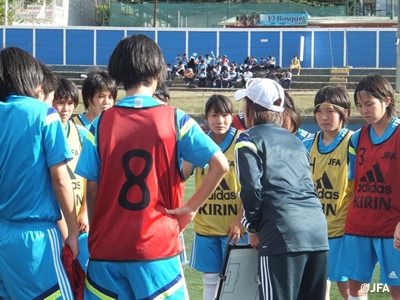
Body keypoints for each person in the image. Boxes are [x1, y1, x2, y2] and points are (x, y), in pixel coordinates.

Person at [75, 34, 229, 299]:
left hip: (106, 250)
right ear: (159, 71)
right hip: (156, 249)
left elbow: (93, 189)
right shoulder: (175, 119)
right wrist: (190, 208)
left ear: (118, 74)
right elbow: (220, 164)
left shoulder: (99, 125)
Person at [234, 78, 329, 300]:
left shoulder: (247, 138)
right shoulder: (295, 140)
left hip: (281, 232)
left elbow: (251, 190)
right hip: (317, 231)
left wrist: (253, 228)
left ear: (251, 107)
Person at [0, 46, 79, 299]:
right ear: (28, 76)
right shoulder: (44, 113)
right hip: (36, 237)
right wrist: (73, 232)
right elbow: (61, 179)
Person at [336, 74, 400, 300]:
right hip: (358, 225)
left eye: (369, 104)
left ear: (387, 101)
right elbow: (353, 183)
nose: (363, 110)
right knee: (355, 289)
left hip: (392, 229)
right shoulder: (356, 138)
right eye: (360, 105)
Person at [184, 94, 247, 300]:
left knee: (236, 285)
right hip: (206, 226)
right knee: (210, 281)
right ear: (206, 117)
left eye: (224, 115)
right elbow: (184, 173)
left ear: (232, 116)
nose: (219, 121)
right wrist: (190, 142)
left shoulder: (243, 141)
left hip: (235, 229)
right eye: (214, 115)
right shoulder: (201, 141)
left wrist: (239, 220)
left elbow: (253, 187)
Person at [302, 86, 353, 300]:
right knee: (318, 284)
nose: (323, 117)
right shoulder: (307, 143)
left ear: (344, 113)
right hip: (313, 230)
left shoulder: (354, 142)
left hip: (342, 229)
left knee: (347, 286)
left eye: (330, 111)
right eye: (319, 111)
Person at [52, 77, 90, 273]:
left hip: (80, 223)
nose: (65, 109)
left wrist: (85, 212)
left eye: (70, 103)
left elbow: (90, 177)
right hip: (56, 222)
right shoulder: (44, 134)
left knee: (81, 277)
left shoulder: (81, 134)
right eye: (60, 102)